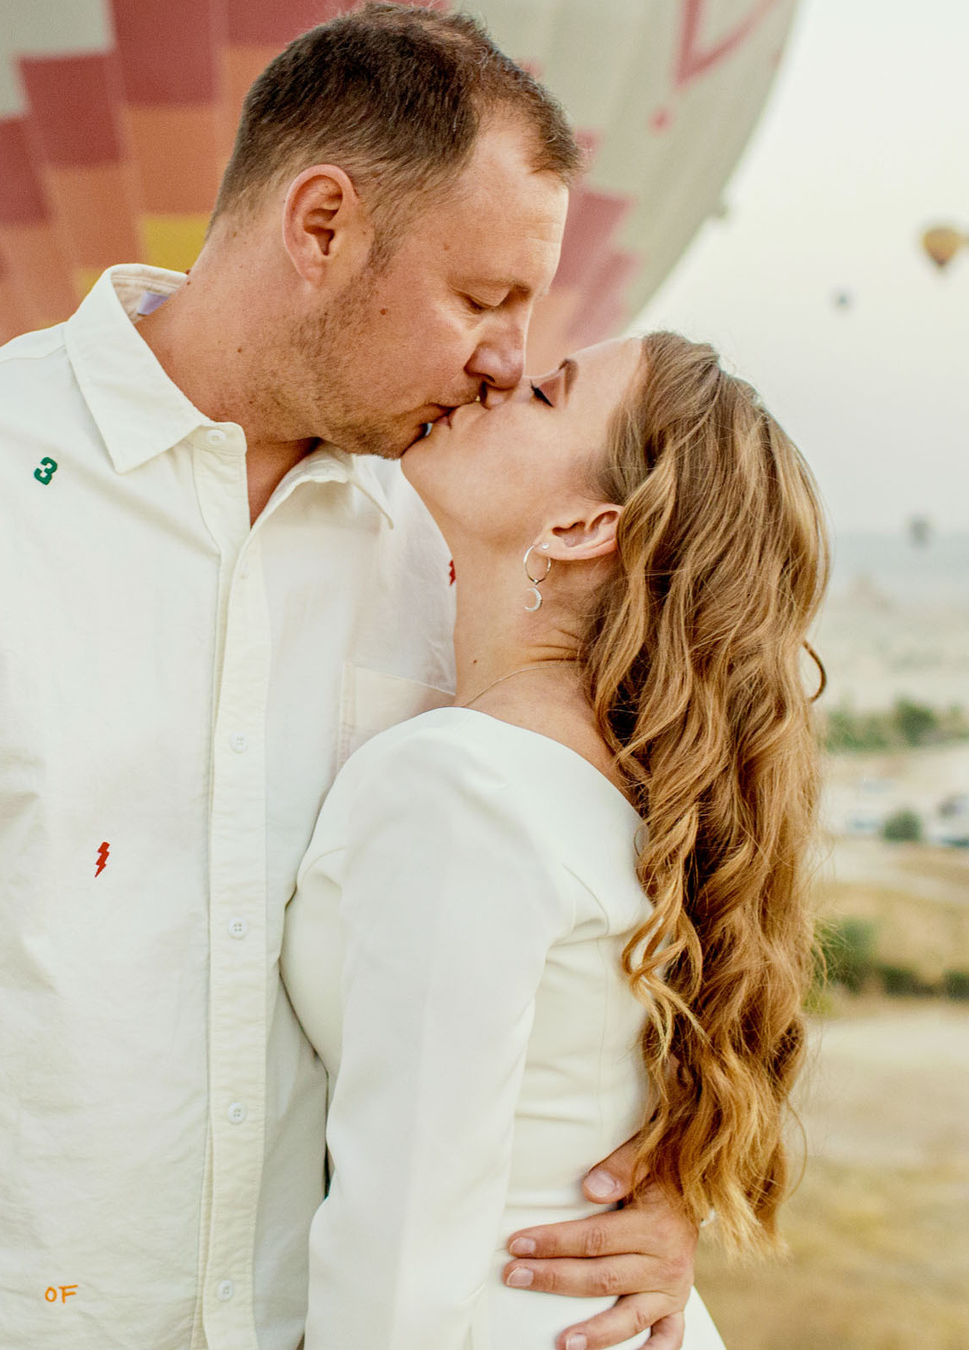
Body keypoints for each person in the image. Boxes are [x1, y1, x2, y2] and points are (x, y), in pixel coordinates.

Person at [0, 4, 705, 1350]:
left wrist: (655, 1181)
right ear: (321, 226)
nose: (508, 359)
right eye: (483, 299)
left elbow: (608, 884)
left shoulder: (450, 556)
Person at [284, 332, 827, 1350]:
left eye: (542, 392)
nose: (495, 373)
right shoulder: (623, 800)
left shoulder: (461, 788)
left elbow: (399, 1269)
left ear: (585, 524)